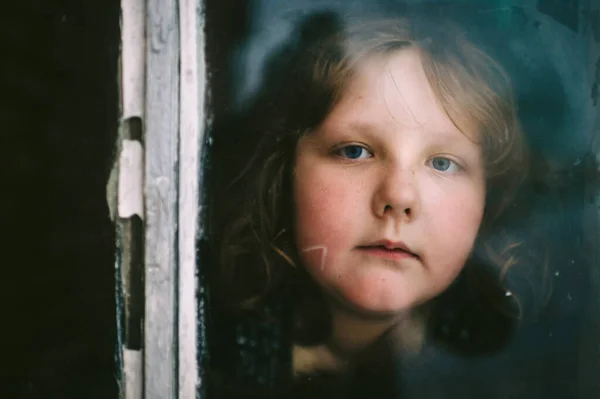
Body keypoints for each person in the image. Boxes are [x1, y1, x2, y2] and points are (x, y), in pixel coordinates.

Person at [204, 7, 547, 399]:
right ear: (284, 175)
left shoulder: (494, 364)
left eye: (442, 163)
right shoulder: (208, 354)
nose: (399, 197)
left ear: (486, 201)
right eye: (354, 151)